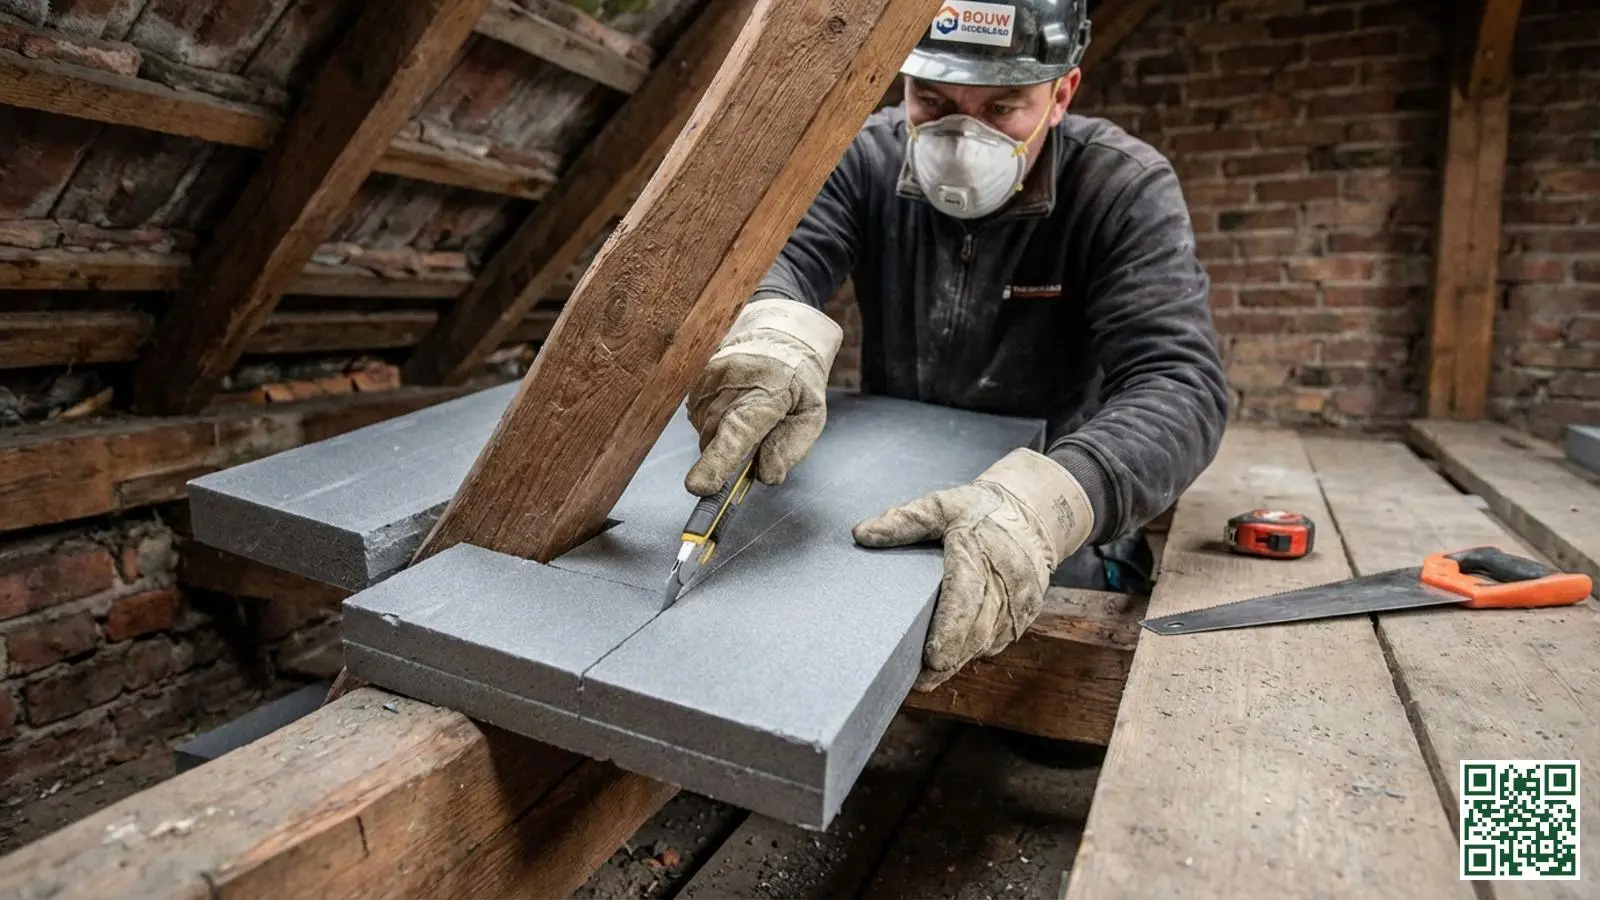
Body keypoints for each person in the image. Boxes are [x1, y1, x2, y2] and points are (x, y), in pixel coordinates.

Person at [681, 0, 1229, 695]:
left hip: (1033, 498)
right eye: (932, 102)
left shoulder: (1119, 188)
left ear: (1061, 93)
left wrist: (1055, 500)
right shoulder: (866, 160)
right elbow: (782, 258)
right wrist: (773, 329)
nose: (963, 139)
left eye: (1002, 109)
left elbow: (1179, 383)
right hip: (889, 481)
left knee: (1036, 702)